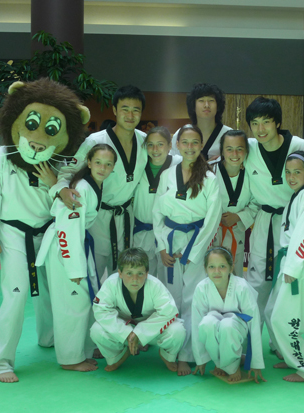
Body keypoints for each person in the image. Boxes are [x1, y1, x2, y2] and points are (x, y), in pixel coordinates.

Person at [50, 85, 148, 280]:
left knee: (123, 272)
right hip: (98, 216)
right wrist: (61, 190)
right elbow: (69, 171)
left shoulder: (145, 141)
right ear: (115, 110)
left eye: (136, 110)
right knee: (93, 273)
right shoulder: (95, 141)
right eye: (125, 109)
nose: (130, 115)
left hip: (126, 216)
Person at [0, 150, 58, 383]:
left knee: (51, 289)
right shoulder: (1, 156)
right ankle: (0, 361)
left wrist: (54, 182)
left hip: (49, 229)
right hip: (13, 232)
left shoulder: (53, 151)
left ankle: (49, 337)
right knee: (16, 293)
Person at [36, 144, 117, 372]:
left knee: (84, 302)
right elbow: (67, 229)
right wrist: (74, 269)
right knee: (72, 304)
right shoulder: (82, 188)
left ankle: (83, 350)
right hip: (65, 248)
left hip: (76, 244)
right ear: (88, 162)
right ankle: (70, 359)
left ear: (113, 167)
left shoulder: (92, 185)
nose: (102, 168)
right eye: (98, 162)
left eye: (108, 164)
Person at [153, 124, 222, 375]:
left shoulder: (210, 179)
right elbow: (156, 212)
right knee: (171, 298)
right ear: (177, 145)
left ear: (201, 145)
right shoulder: (167, 175)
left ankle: (189, 354)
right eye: (185, 142)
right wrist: (162, 247)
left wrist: (194, 253)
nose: (190, 147)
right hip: (170, 240)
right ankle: (170, 348)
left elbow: (212, 219)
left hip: (196, 241)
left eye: (195, 142)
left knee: (193, 299)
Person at [244, 97, 304, 339]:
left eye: (266, 122)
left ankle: (282, 342)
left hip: (294, 221)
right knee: (257, 283)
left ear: (278, 123)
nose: (260, 129)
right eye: (255, 123)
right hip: (264, 220)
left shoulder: (301, 146)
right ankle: (251, 341)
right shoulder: (249, 149)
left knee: (288, 284)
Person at [265, 151, 304, 382]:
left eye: (297, 172)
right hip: (291, 260)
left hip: (302, 262)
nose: (291, 177)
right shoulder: (298, 194)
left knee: (286, 318)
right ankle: (291, 357)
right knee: (271, 312)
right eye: (288, 172)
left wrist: (293, 267)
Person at [90, 248, 186, 373]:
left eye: (140, 274)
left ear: (147, 273)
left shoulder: (155, 285)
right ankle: (117, 356)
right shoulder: (111, 284)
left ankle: (168, 356)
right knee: (96, 330)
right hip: (123, 330)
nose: (134, 279)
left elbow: (169, 312)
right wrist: (126, 333)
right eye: (129, 273)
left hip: (151, 331)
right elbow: (101, 310)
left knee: (177, 330)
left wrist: (140, 332)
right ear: (120, 273)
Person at [192, 247, 266, 383]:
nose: (217, 271)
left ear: (231, 268)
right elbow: (196, 324)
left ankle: (231, 366)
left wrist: (255, 362)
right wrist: (200, 359)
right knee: (206, 324)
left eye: (222, 266)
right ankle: (220, 362)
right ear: (205, 269)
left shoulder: (242, 286)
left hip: (237, 328)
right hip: (215, 327)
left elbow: (254, 323)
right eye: (212, 267)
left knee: (227, 325)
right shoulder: (201, 288)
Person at [133, 126, 182, 279]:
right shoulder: (138, 164)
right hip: (142, 231)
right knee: (142, 276)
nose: (155, 149)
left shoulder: (179, 164)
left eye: (160, 144)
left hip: (168, 232)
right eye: (150, 145)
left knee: (168, 280)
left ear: (169, 145)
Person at [212, 130, 258, 277]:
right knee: (213, 273)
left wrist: (238, 216)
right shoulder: (210, 170)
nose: (235, 154)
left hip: (237, 231)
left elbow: (257, 202)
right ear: (222, 151)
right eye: (229, 149)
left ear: (246, 151)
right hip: (213, 232)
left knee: (236, 275)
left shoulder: (253, 173)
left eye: (239, 149)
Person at [171, 83, 231, 161]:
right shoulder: (181, 133)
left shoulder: (229, 134)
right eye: (201, 100)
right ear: (193, 106)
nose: (206, 105)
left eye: (211, 100)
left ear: (218, 106)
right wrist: (207, 165)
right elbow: (174, 163)